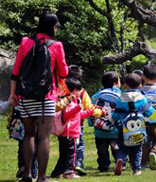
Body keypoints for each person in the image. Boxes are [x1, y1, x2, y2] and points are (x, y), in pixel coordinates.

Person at [9, 12, 68, 182]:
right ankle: (41, 177)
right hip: (46, 97)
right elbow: (64, 72)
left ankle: (27, 174)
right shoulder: (57, 45)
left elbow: (16, 71)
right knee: (43, 137)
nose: (57, 30)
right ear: (52, 27)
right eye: (56, 27)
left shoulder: (25, 42)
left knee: (28, 135)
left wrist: (13, 94)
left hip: (25, 96)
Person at [51, 77, 99, 179]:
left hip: (68, 133)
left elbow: (79, 115)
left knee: (64, 155)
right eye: (77, 90)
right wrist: (78, 108)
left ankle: (57, 172)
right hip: (69, 133)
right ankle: (69, 172)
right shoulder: (68, 102)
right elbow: (66, 115)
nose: (79, 92)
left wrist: (90, 111)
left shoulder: (74, 102)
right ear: (70, 90)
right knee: (71, 155)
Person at [112, 73, 154, 176]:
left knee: (122, 147)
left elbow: (116, 115)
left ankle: (120, 160)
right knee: (137, 149)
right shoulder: (142, 97)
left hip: (123, 127)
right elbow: (149, 111)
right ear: (140, 85)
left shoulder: (120, 97)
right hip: (138, 127)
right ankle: (136, 169)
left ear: (126, 84)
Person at [89, 71, 121, 172]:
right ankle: (119, 161)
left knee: (102, 149)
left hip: (100, 129)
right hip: (115, 129)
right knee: (117, 147)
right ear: (115, 83)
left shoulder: (96, 96)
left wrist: (91, 123)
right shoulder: (120, 94)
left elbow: (91, 110)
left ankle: (103, 166)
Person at [139, 64, 156, 170]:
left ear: (143, 77)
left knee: (144, 142)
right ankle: (154, 152)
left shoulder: (140, 92)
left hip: (143, 122)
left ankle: (143, 163)